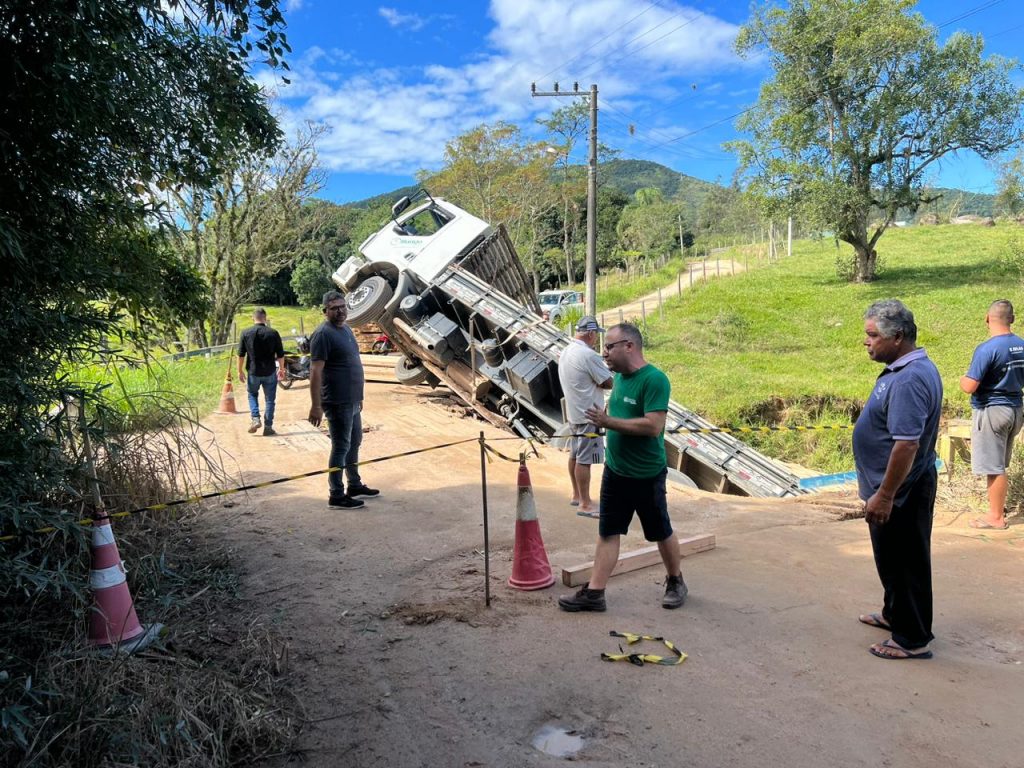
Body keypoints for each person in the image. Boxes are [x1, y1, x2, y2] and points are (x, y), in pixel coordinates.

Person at [557, 322, 688, 612]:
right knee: (608, 531)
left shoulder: (654, 380)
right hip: (616, 472)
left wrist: (608, 422)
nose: (604, 353)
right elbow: (617, 414)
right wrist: (606, 418)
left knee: (660, 531)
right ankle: (595, 593)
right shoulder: (620, 380)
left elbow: (653, 426)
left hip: (646, 475)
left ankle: (675, 580)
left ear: (629, 346)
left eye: (609, 347)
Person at [852, 300, 942, 660]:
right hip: (895, 488)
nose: (866, 341)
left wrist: (886, 495)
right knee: (891, 558)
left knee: (906, 561)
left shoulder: (908, 379)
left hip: (902, 491)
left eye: (872, 335)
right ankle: (895, 614)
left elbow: (906, 444)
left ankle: (912, 638)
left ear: (898, 337)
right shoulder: (905, 369)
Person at [308, 291, 378, 509]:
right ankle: (336, 494)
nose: (340, 311)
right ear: (325, 311)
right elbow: (315, 371)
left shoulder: (346, 329)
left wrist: (359, 397)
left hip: (352, 399)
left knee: (354, 441)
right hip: (337, 401)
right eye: (334, 308)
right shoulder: (322, 334)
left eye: (342, 306)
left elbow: (352, 362)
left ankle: (354, 484)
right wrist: (316, 405)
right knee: (340, 446)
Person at [959, 299, 1024, 530]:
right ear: (1013, 319)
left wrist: (962, 380)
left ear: (987, 319)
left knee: (994, 467)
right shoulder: (1021, 345)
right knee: (999, 465)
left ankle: (995, 517)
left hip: (992, 411)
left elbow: (970, 386)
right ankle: (996, 511)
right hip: (1016, 410)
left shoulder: (987, 349)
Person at [557, 316, 613, 517]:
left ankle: (577, 495)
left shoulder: (566, 351)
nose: (596, 338)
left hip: (574, 412)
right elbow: (608, 382)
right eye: (596, 334)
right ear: (590, 333)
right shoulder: (588, 355)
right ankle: (586, 503)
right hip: (590, 414)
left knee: (575, 454)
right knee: (584, 459)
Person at [237, 307, 285, 437]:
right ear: (265, 318)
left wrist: (239, 371)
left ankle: (255, 418)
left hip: (253, 371)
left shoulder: (245, 333)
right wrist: (281, 369)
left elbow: (240, 355)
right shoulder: (273, 333)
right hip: (269, 371)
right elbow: (280, 354)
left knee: (252, 394)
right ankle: (268, 427)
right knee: (270, 400)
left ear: (253, 318)